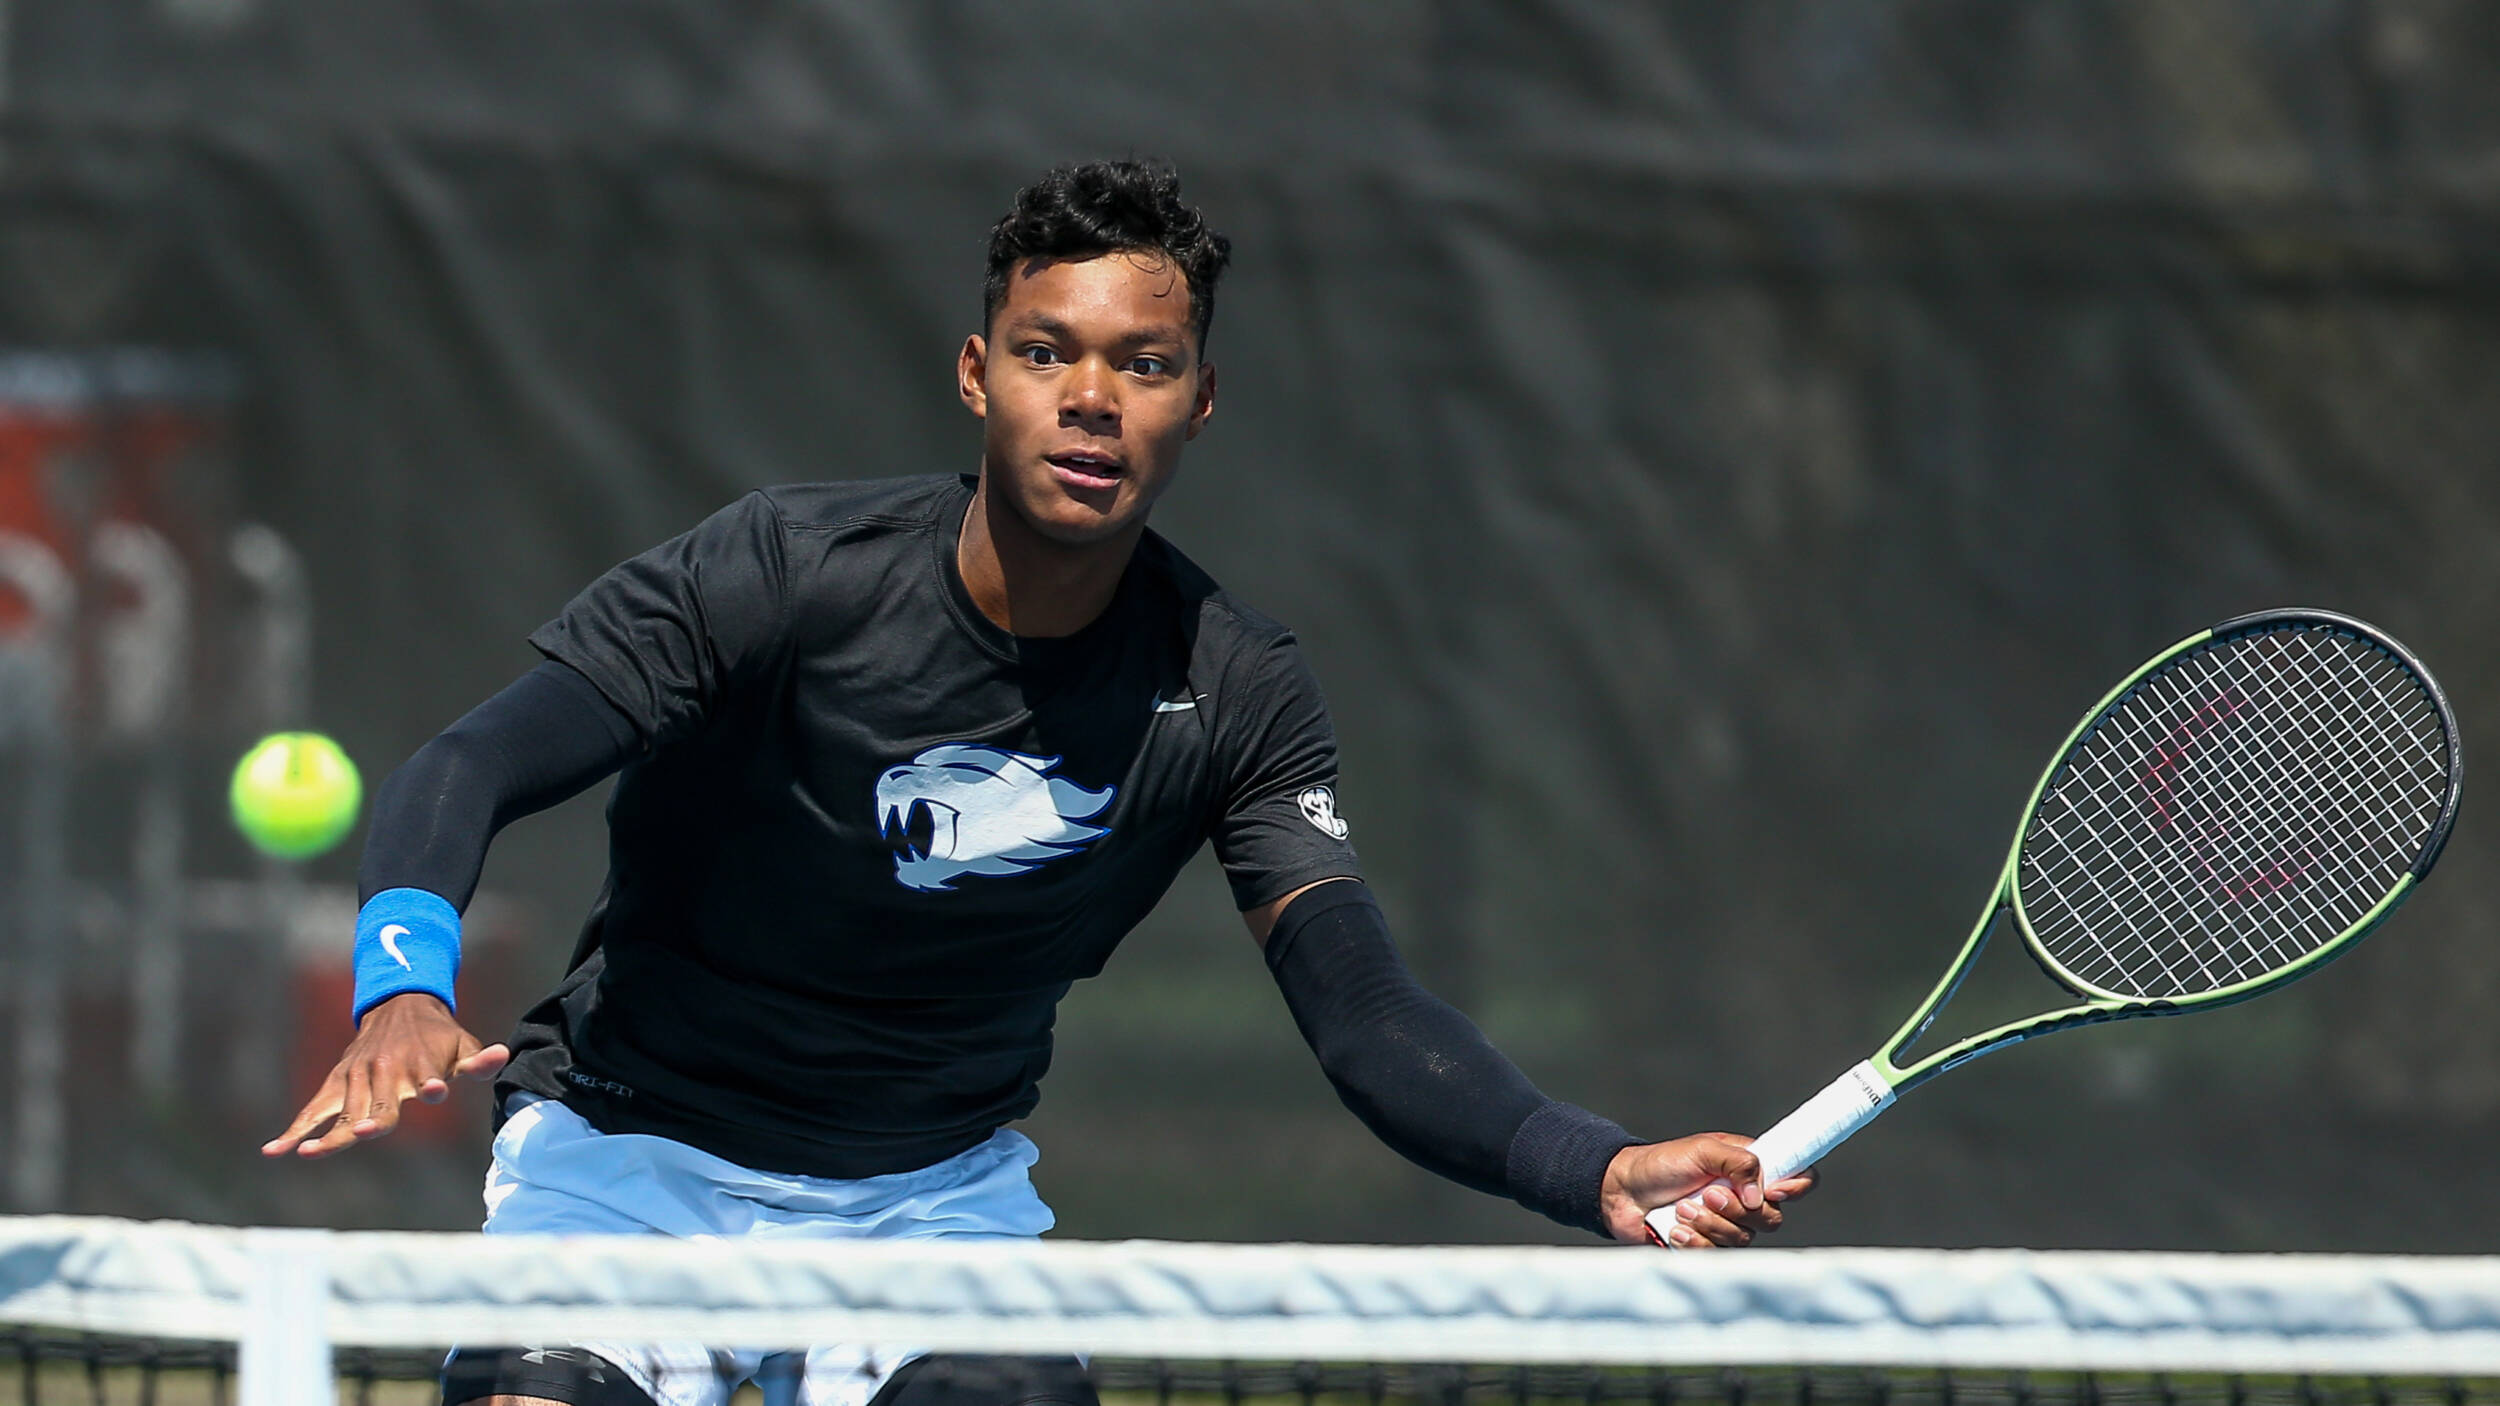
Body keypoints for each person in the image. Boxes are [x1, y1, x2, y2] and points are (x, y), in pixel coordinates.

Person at [264, 160, 1815, 1406]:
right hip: (625, 1155)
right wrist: (402, 980)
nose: (1092, 398)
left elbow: (1367, 1013)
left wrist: (1585, 1159)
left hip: (931, 1202)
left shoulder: (1234, 684)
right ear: (976, 373)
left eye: (1144, 364)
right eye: (1047, 352)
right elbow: (469, 761)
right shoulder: (781, 573)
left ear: (1196, 402)